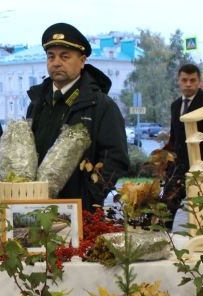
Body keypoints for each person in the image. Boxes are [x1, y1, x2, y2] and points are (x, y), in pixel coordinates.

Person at [25, 22, 129, 211]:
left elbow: (116, 158)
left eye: (65, 56)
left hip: (79, 212)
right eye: (51, 56)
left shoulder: (100, 105)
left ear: (82, 61)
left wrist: (88, 196)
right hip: (35, 208)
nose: (56, 62)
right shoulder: (37, 102)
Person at [163, 64, 203, 225]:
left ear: (199, 81)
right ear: (179, 81)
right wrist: (167, 159)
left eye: (192, 80)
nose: (188, 84)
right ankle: (163, 239)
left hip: (202, 166)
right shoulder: (175, 105)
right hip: (178, 166)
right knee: (166, 206)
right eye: (184, 80)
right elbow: (174, 136)